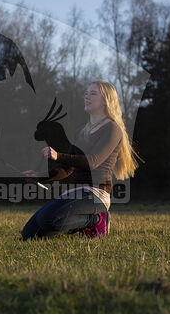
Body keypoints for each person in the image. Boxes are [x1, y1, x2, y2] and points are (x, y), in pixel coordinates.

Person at [21, 80, 138, 240]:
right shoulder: (80, 132)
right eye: (86, 93)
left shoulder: (112, 129)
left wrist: (58, 155)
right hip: (75, 193)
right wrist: (39, 176)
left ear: (106, 100)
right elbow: (66, 169)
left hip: (96, 194)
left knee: (47, 219)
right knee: (29, 235)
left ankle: (96, 220)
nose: (87, 96)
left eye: (93, 93)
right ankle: (78, 223)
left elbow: (93, 161)